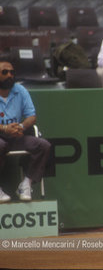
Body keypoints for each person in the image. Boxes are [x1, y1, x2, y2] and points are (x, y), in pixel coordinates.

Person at [0, 58, 51, 202]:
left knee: (43, 145)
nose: (10, 75)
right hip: (1, 137)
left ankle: (26, 183)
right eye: (5, 72)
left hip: (17, 135)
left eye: (12, 72)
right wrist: (4, 128)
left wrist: (21, 126)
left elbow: (31, 116)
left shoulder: (20, 90)